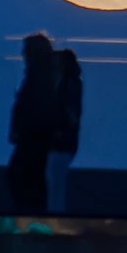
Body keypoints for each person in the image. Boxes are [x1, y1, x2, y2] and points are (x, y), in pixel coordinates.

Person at [7, 33, 57, 212]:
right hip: (33, 140)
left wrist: (21, 129)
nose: (23, 55)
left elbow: (35, 110)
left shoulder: (38, 80)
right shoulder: (42, 78)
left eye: (27, 51)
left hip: (32, 141)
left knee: (25, 182)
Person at [47, 48, 82, 213]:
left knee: (55, 183)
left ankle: (54, 214)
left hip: (61, 143)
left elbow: (70, 112)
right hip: (63, 143)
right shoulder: (70, 82)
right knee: (56, 183)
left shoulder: (68, 83)